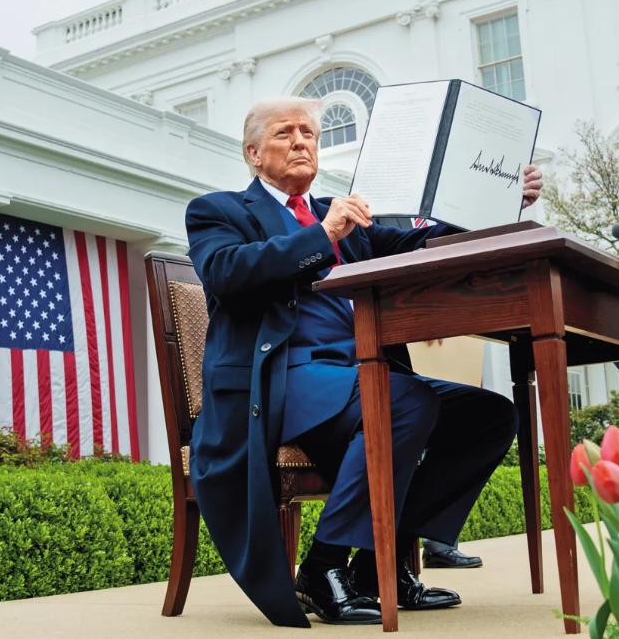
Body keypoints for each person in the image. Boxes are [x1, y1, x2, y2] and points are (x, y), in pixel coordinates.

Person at [184, 96, 543, 626]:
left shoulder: (343, 215)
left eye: (309, 133)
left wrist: (496, 203)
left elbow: (421, 242)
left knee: (489, 415)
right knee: (404, 399)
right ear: (254, 154)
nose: (301, 142)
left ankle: (381, 566)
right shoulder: (219, 211)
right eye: (285, 133)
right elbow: (225, 273)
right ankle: (323, 566)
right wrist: (322, 236)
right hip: (280, 379)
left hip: (358, 375)